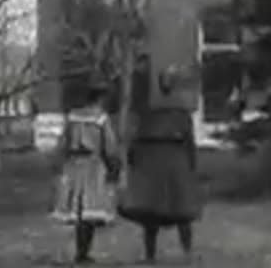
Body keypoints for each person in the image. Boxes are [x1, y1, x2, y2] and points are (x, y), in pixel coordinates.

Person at [117, 64, 202, 264]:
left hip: (173, 157)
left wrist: (191, 161)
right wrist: (133, 154)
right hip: (152, 157)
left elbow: (188, 136)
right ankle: (150, 253)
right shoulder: (148, 107)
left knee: (181, 206)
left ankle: (187, 250)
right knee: (150, 209)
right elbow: (136, 133)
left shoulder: (180, 108)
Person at [49, 76, 121, 264]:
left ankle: (80, 251)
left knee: (78, 210)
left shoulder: (73, 116)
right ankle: (82, 251)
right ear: (100, 98)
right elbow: (110, 146)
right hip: (93, 166)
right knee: (89, 211)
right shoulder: (101, 119)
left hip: (73, 166)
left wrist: (58, 163)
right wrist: (114, 166)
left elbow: (63, 143)